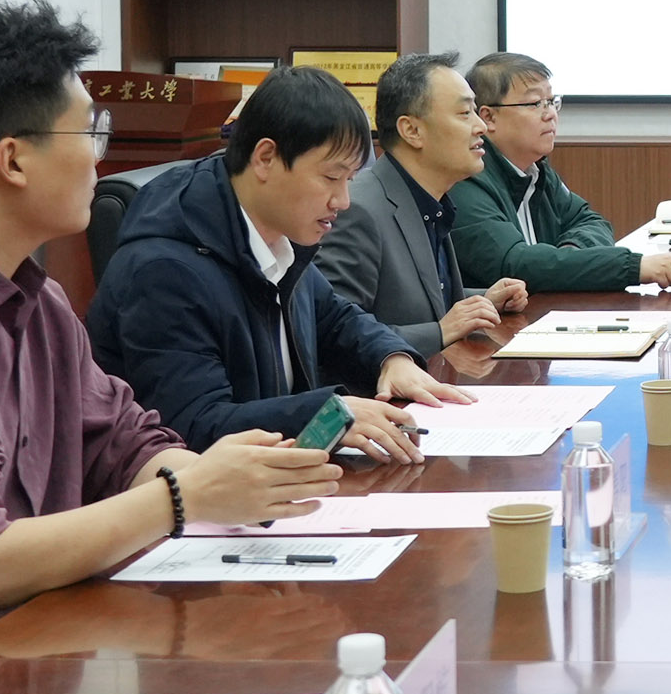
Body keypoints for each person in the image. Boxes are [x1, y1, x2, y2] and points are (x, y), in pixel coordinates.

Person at [0, 0, 350, 616]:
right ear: (14, 160)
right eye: (89, 132)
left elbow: (122, 443)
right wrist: (182, 496)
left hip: (54, 631)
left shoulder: (37, 299)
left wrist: (229, 480)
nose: (99, 156)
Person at [86, 65, 468, 449]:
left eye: (349, 180)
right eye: (331, 178)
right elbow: (192, 425)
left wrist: (392, 358)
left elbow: (334, 317)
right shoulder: (165, 272)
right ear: (266, 158)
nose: (343, 201)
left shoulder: (277, 231)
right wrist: (327, 416)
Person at [318, 50, 532, 351]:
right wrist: (440, 331)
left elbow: (420, 298)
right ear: (412, 131)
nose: (481, 126)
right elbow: (334, 336)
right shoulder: (359, 210)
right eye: (464, 113)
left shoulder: (431, 199)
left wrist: (482, 299)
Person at [450, 52, 671, 293]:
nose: (550, 114)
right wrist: (633, 267)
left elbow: (592, 221)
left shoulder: (537, 171)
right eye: (535, 103)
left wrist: (572, 257)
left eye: (551, 101)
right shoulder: (466, 180)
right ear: (489, 117)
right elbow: (513, 265)